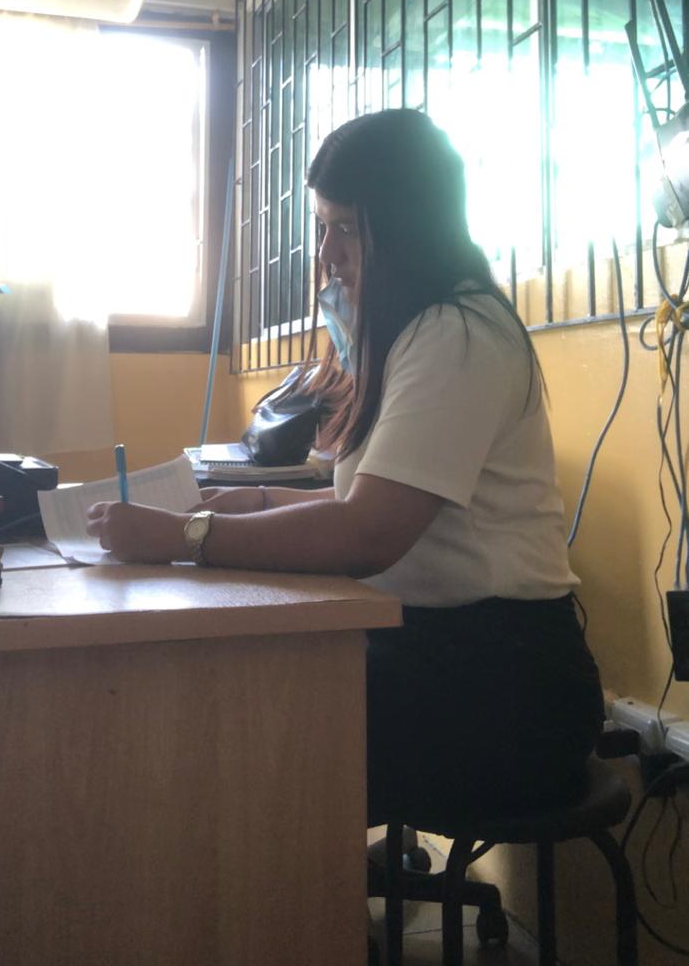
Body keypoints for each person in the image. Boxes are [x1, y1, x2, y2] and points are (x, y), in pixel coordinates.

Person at [86, 108, 604, 825]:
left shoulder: (457, 334)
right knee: (246, 704)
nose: (328, 253)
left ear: (408, 225)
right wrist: (251, 502)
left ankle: (293, 901)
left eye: (348, 228)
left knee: (248, 736)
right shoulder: (412, 331)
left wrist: (182, 537)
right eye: (322, 226)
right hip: (437, 651)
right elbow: (363, 498)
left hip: (504, 684)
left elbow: (368, 533)